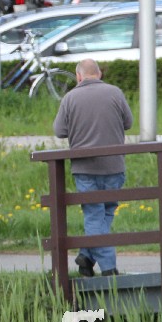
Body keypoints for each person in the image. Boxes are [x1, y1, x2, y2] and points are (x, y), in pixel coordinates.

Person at [52, 59, 133, 277]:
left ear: (78, 76)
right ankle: (96, 262)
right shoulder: (115, 93)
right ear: (99, 74)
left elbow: (59, 131)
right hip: (114, 165)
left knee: (94, 215)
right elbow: (128, 123)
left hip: (84, 168)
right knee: (105, 212)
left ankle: (96, 262)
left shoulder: (70, 98)